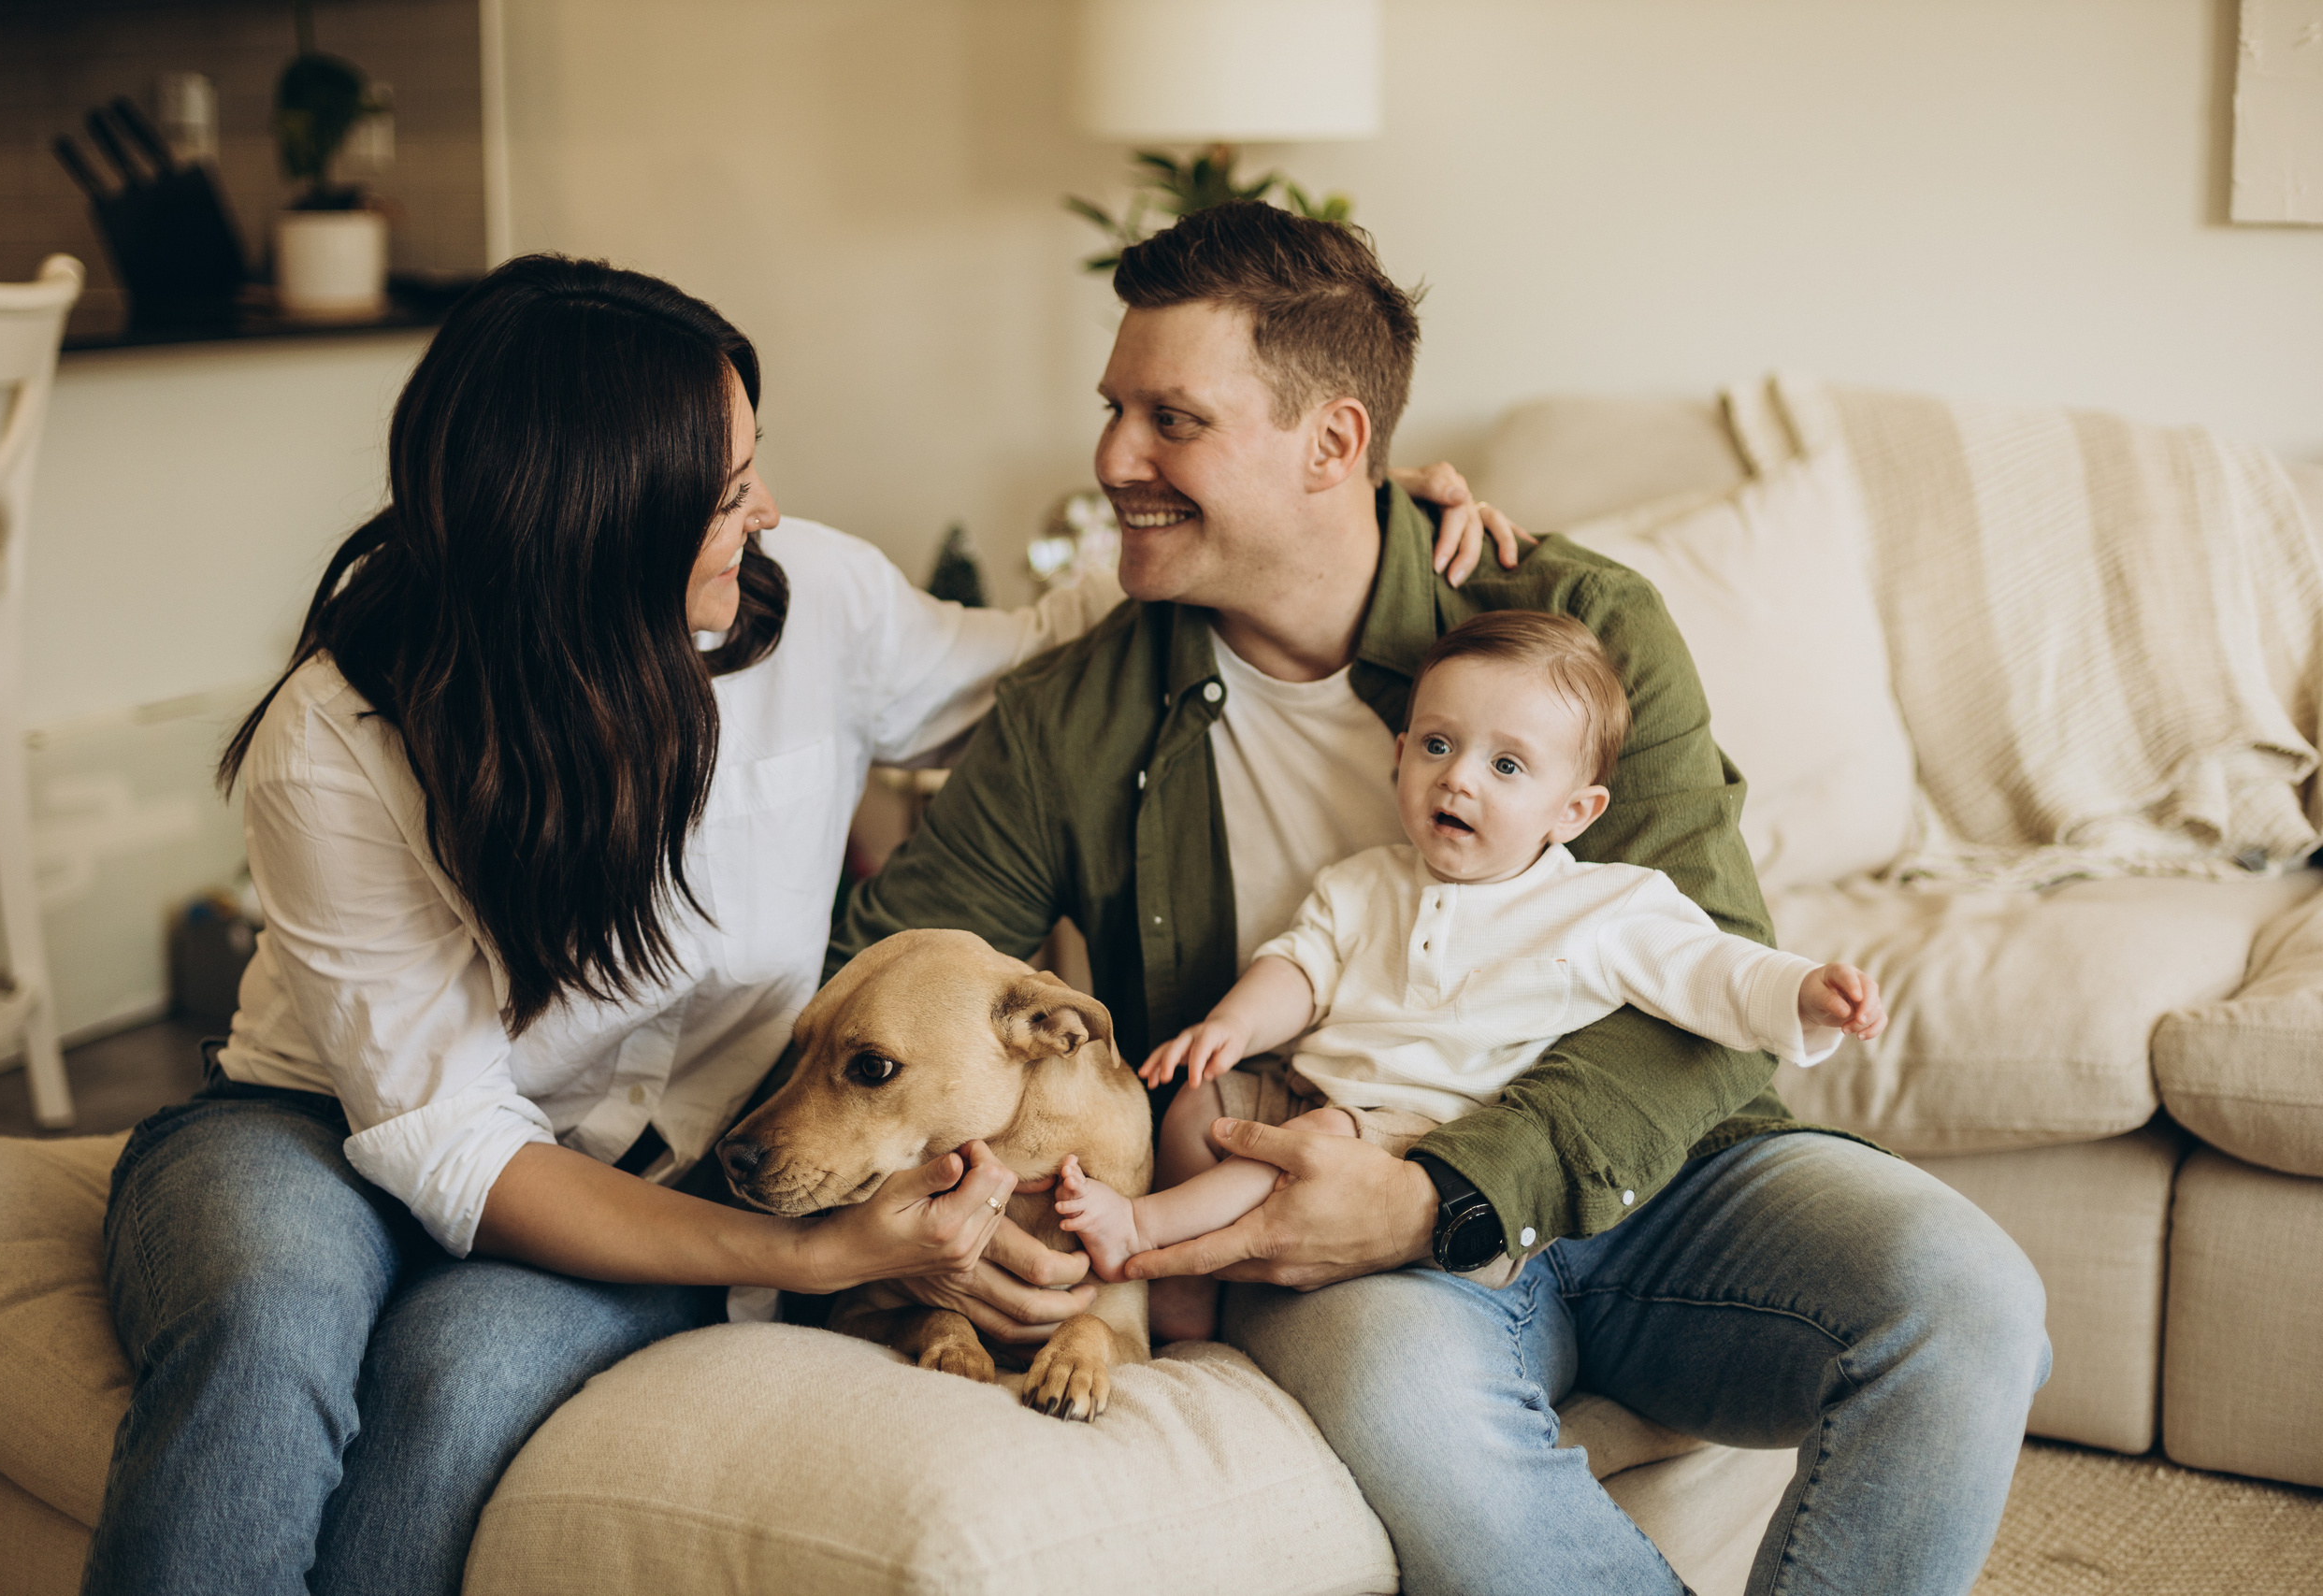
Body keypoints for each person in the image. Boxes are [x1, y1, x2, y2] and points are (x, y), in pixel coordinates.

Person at [79, 252, 1515, 1596]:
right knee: (264, 1324)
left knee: (455, 1379)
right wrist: (821, 1256)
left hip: (666, 1163)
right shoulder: (340, 736)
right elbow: (448, 1139)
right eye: (727, 492)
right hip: (310, 1125)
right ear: (593, 533)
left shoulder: (812, 598)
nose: (765, 513)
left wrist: (1349, 514)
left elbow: (1038, 647)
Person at [825, 201, 2051, 1595]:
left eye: (1173, 418)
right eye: (1114, 409)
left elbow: (1708, 977)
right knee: (1404, 1404)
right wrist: (935, 1225)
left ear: (1337, 443)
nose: (1112, 460)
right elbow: (871, 986)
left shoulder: (1580, 625)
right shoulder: (1075, 716)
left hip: (1652, 1184)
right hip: (1323, 1233)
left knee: (1969, 1293)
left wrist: (1435, 1193)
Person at [1050, 610, 1887, 1341]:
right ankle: (1190, 1305)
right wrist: (1230, 1027)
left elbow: (1710, 970)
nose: (1458, 777)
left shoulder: (1603, 906)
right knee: (1199, 1104)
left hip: (1425, 1136)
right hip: (1309, 1087)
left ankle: (1141, 1232)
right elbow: (1299, 968)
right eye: (1439, 745)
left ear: (1574, 811)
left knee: (1308, 1148)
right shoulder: (1365, 881)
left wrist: (1804, 992)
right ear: (1401, 755)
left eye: (1508, 766)